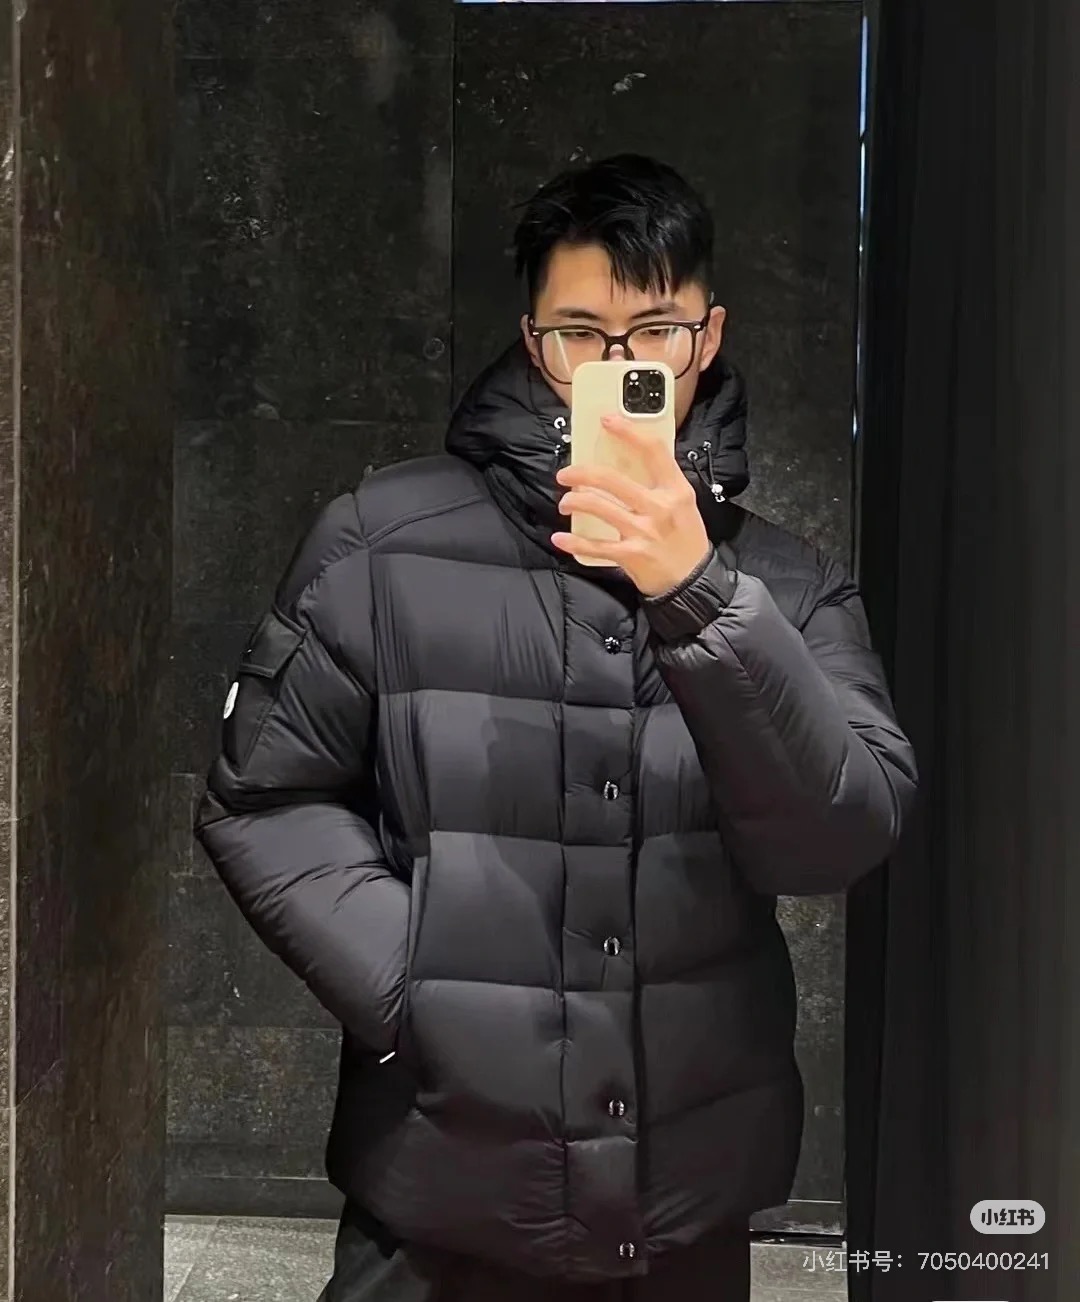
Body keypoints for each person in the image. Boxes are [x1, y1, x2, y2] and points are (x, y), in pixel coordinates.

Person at [195, 154, 917, 1301]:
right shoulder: (381, 541)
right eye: (582, 332)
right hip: (438, 1194)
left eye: (655, 330)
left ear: (709, 337)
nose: (620, 365)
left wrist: (700, 597)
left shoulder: (786, 585)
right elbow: (264, 798)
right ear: (534, 344)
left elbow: (836, 838)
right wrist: (413, 990)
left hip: (684, 1202)